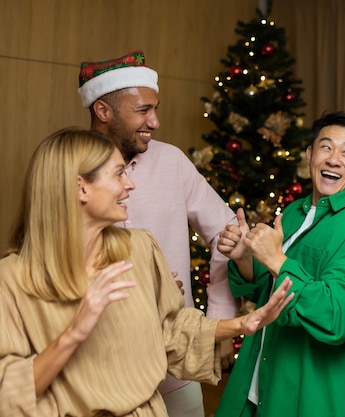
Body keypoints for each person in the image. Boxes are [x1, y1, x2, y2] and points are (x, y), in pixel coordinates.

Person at [0, 127, 294, 416]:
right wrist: (75, 332)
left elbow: (170, 332)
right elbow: (7, 391)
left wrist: (243, 324)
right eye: (118, 174)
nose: (130, 184)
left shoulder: (139, 248)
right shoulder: (11, 279)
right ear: (81, 187)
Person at [77, 50, 238, 416]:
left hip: (173, 366)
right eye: (143, 110)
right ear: (103, 111)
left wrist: (217, 320)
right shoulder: (67, 169)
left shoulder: (171, 162)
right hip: (96, 367)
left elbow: (227, 232)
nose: (156, 121)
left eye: (156, 108)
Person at [213, 111, 345, 417]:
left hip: (316, 395)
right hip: (262, 379)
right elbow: (267, 290)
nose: (334, 159)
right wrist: (244, 257)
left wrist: (276, 259)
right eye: (326, 147)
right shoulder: (294, 211)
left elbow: (336, 317)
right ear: (309, 155)